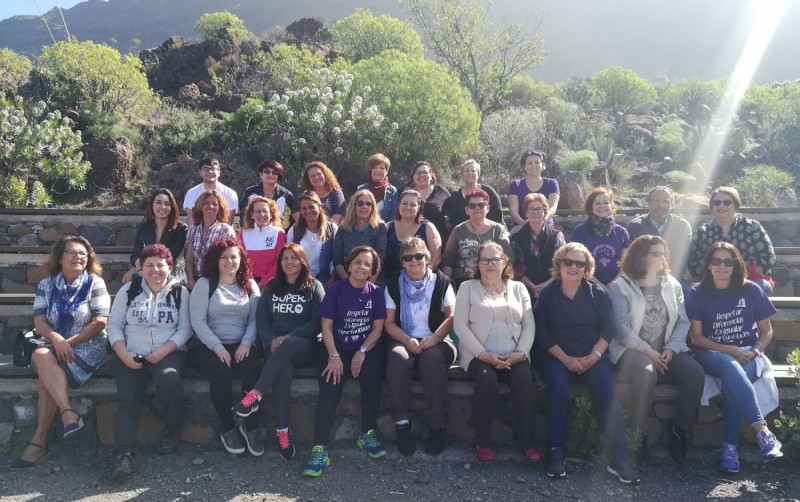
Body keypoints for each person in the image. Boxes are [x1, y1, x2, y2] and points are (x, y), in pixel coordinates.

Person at [534, 242, 638, 484]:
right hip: (557, 356)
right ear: (559, 265)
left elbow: (607, 329)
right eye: (568, 262)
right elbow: (542, 332)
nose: (573, 267)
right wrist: (566, 359)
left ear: (586, 268)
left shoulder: (596, 293)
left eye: (579, 264)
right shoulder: (548, 294)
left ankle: (618, 458)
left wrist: (594, 356)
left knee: (608, 392)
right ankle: (555, 451)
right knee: (558, 390)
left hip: (593, 356)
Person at [7, 237, 110, 471]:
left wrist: (69, 342)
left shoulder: (96, 283)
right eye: (72, 252)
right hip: (55, 343)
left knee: (45, 378)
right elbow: (40, 321)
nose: (78, 257)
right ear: (60, 257)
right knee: (42, 356)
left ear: (89, 259)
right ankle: (67, 413)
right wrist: (58, 339)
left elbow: (100, 322)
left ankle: (38, 443)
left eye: (83, 254)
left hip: (88, 345)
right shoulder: (46, 285)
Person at [686, 241, 783, 473]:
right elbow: (697, 338)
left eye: (728, 261)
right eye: (716, 261)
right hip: (710, 353)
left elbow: (767, 330)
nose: (722, 266)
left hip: (748, 353)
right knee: (730, 365)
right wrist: (731, 351)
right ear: (708, 265)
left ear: (736, 264)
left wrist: (756, 350)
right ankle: (763, 431)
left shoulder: (751, 289)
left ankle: (730, 452)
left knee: (733, 385)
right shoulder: (696, 292)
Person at [609, 235, 704, 464]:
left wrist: (671, 349)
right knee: (646, 371)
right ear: (640, 255)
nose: (660, 258)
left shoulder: (671, 284)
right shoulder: (621, 286)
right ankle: (638, 433)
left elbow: (683, 321)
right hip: (630, 350)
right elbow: (621, 329)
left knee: (695, 373)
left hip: (666, 350)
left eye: (663, 253)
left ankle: (680, 430)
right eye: (654, 253)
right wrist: (647, 351)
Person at [107, 244, 191, 479]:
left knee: (169, 380)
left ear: (170, 267)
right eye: (149, 265)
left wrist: (164, 350)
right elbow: (114, 325)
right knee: (127, 398)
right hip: (131, 350)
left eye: (160, 265)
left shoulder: (179, 292)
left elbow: (186, 328)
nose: (155, 270)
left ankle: (171, 429)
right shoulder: (128, 290)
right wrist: (122, 352)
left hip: (169, 350)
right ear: (141, 269)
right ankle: (124, 455)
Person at [235, 243, 325, 460]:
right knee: (281, 374)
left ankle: (255, 395)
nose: (289, 262)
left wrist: (287, 338)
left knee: (290, 345)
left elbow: (317, 322)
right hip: (274, 347)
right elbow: (262, 319)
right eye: (285, 258)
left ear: (302, 261)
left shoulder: (314, 286)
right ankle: (283, 432)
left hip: (303, 345)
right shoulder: (272, 287)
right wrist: (271, 340)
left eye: (294, 258)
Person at [303, 246, 387, 477]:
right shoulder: (336, 290)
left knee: (372, 379)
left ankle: (367, 433)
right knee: (330, 387)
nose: (362, 267)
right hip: (334, 347)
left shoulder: (376, 292)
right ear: (349, 266)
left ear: (372, 271)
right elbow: (326, 327)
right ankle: (319, 448)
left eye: (367, 264)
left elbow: (378, 329)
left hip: (365, 346)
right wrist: (334, 356)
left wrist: (361, 351)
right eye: (357, 262)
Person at [454, 241, 538, 462]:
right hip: (478, 354)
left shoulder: (519, 288)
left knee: (524, 381)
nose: (490, 264)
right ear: (478, 264)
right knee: (487, 381)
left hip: (515, 353)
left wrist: (521, 353)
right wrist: (482, 354)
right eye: (485, 260)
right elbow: (459, 326)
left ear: (504, 263)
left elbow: (529, 324)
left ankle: (528, 442)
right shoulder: (467, 288)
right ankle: (483, 441)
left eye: (495, 259)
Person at [189, 238, 262, 457]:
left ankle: (250, 427)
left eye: (234, 257)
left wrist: (246, 343)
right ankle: (228, 427)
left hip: (241, 344)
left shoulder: (249, 285)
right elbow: (197, 321)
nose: (229, 261)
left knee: (254, 368)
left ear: (241, 260)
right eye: (224, 257)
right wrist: (217, 347)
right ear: (215, 260)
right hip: (208, 346)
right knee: (220, 371)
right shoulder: (205, 284)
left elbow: (254, 321)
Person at [385, 237, 456, 456]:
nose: (414, 261)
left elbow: (451, 317)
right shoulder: (393, 283)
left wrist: (435, 338)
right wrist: (406, 340)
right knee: (398, 358)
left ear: (427, 258)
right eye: (408, 257)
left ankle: (437, 425)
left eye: (419, 256)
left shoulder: (442, 282)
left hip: (438, 339)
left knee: (432, 360)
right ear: (402, 262)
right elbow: (388, 322)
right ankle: (402, 424)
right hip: (404, 337)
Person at [688, 187, 776, 296]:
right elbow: (694, 260)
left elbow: (768, 256)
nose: (722, 205)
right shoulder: (703, 231)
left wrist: (745, 276)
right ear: (712, 207)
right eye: (717, 203)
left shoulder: (752, 227)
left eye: (727, 202)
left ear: (735, 205)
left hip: (747, 281)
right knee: (690, 290)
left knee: (761, 287)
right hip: (714, 282)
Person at [441, 189, 512, 289]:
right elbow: (448, 260)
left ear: (487, 208)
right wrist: (445, 286)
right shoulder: (458, 230)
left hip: (492, 280)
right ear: (467, 210)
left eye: (481, 205)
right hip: (463, 281)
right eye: (472, 206)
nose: (477, 208)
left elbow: (509, 258)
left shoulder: (497, 230)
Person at [626, 186, 692, 283]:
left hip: (674, 278)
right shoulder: (636, 226)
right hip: (643, 279)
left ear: (672, 204)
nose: (660, 205)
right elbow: (632, 259)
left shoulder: (682, 226)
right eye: (656, 200)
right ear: (648, 202)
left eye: (665, 201)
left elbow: (684, 258)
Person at [123, 188, 188, 284]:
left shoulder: (181, 229)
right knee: (127, 283)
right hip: (146, 271)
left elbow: (171, 258)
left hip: (171, 274)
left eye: (167, 204)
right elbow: (135, 255)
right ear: (152, 205)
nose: (162, 207)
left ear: (172, 207)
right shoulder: (144, 228)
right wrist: (136, 266)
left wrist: (142, 267)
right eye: (158, 202)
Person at [570, 186, 630, 288]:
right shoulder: (580, 232)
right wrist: (598, 285)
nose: (602, 206)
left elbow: (626, 263)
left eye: (606, 203)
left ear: (611, 205)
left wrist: (613, 284)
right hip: (587, 284)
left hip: (618, 284)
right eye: (597, 203)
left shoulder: (622, 232)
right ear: (590, 207)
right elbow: (576, 263)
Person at [511, 193, 565, 298]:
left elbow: (561, 265)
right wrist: (533, 287)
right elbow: (518, 268)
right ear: (526, 213)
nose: (535, 212)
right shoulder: (516, 238)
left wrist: (545, 285)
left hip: (552, 286)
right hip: (525, 288)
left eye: (539, 209)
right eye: (531, 209)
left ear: (545, 212)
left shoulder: (557, 236)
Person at [332, 190, 388, 285]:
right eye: (360, 203)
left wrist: (368, 285)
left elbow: (380, 259)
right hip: (345, 278)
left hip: (372, 279)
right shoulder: (343, 228)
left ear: (373, 207)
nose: (364, 207)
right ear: (354, 206)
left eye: (368, 204)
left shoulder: (380, 228)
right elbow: (337, 260)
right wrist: (349, 282)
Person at [384, 190, 442, 280]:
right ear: (399, 205)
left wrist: (420, 277)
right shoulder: (388, 227)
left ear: (419, 207)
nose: (408, 207)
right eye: (404, 203)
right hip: (389, 280)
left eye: (413, 205)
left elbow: (436, 258)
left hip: (420, 282)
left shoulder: (428, 228)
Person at [184, 190, 236, 290]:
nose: (210, 206)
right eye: (206, 203)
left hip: (217, 282)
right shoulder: (192, 230)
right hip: (195, 282)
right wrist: (190, 280)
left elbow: (229, 260)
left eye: (214, 204)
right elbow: (189, 259)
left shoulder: (226, 230)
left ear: (219, 208)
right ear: (200, 206)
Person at [286, 191, 337, 285]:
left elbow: (336, 257)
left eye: (311, 207)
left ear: (319, 206)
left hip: (325, 280)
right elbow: (288, 257)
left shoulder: (332, 229)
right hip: (299, 280)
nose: (308, 211)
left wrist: (331, 280)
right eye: (304, 208)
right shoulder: (294, 231)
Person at [239, 196, 286, 287]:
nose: (262, 214)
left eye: (265, 211)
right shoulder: (243, 234)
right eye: (257, 211)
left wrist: (263, 283)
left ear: (271, 214)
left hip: (272, 284)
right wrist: (250, 283)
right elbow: (241, 261)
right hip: (248, 284)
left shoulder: (279, 233)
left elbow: (279, 262)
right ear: (252, 215)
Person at [443, 159, 504, 229]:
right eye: (466, 171)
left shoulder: (489, 191)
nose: (470, 173)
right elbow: (454, 219)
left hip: (490, 231)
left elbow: (497, 214)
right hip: (464, 234)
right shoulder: (455, 197)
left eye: (473, 170)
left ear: (478, 174)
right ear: (462, 175)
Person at [508, 150, 560, 227]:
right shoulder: (516, 185)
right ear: (524, 166)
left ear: (543, 165)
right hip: (521, 226)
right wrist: (525, 225)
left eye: (537, 162)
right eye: (529, 163)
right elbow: (513, 211)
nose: (533, 166)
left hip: (545, 226)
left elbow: (552, 207)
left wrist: (542, 222)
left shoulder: (552, 184)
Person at [239, 159, 295, 229]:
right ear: (261, 175)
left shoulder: (286, 195)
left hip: (279, 234)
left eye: (274, 173)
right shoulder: (249, 193)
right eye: (267, 172)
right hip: (253, 233)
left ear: (278, 176)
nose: (270, 174)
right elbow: (243, 218)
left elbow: (290, 221)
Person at [183, 156, 238, 225]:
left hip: (223, 234)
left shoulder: (230, 193)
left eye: (213, 169)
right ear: (200, 172)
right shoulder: (191, 193)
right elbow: (191, 221)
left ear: (219, 172)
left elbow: (228, 222)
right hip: (197, 234)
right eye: (205, 169)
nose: (209, 171)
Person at [408, 161, 451, 242]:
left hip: (438, 240)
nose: (421, 175)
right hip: (412, 241)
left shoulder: (441, 192)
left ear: (431, 175)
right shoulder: (406, 192)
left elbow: (453, 213)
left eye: (425, 172)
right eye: (418, 172)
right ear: (413, 176)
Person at [357, 153, 399, 224]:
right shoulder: (361, 189)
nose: (378, 170)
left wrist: (385, 228)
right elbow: (354, 212)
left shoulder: (393, 191)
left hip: (384, 231)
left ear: (386, 171)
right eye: (375, 167)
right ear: (370, 170)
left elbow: (394, 215)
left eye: (382, 168)